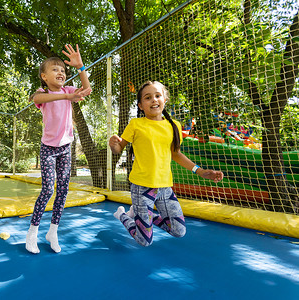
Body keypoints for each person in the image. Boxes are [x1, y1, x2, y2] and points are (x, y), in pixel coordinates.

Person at [109, 81, 223, 246]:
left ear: (164, 99)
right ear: (141, 105)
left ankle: (143, 215)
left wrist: (200, 171)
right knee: (144, 241)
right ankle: (122, 215)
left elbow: (176, 154)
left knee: (179, 231)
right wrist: (114, 145)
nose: (154, 100)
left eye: (157, 96)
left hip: (164, 187)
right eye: (148, 98)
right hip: (142, 187)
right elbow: (119, 148)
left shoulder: (174, 126)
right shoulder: (136, 124)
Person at [26, 44, 92, 254]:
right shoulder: (43, 92)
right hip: (48, 148)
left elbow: (87, 89)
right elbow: (36, 99)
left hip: (65, 148)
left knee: (63, 190)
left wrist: (81, 67)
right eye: (55, 69)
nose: (61, 72)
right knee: (48, 189)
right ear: (44, 77)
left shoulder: (69, 90)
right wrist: (65, 97)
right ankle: (32, 232)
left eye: (63, 70)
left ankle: (52, 231)